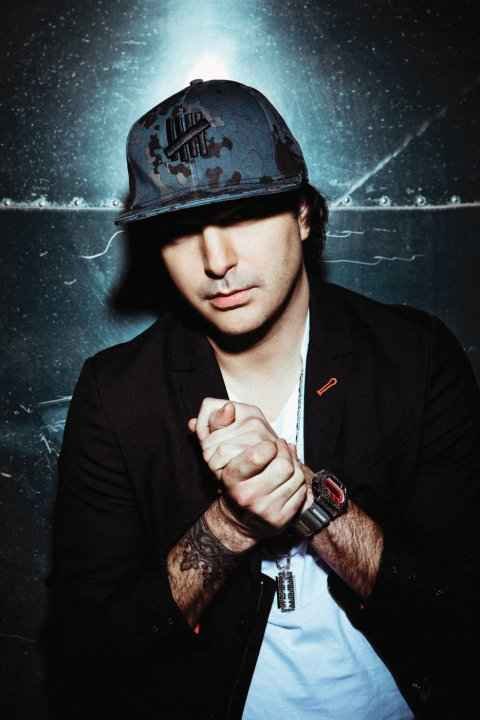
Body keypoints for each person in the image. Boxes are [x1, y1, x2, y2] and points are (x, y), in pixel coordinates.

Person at [48, 79, 480, 719]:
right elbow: (85, 652)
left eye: (241, 215)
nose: (215, 260)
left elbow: (460, 612)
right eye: (180, 230)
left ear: (302, 214)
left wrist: (306, 499)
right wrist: (229, 525)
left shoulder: (412, 357)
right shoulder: (119, 393)